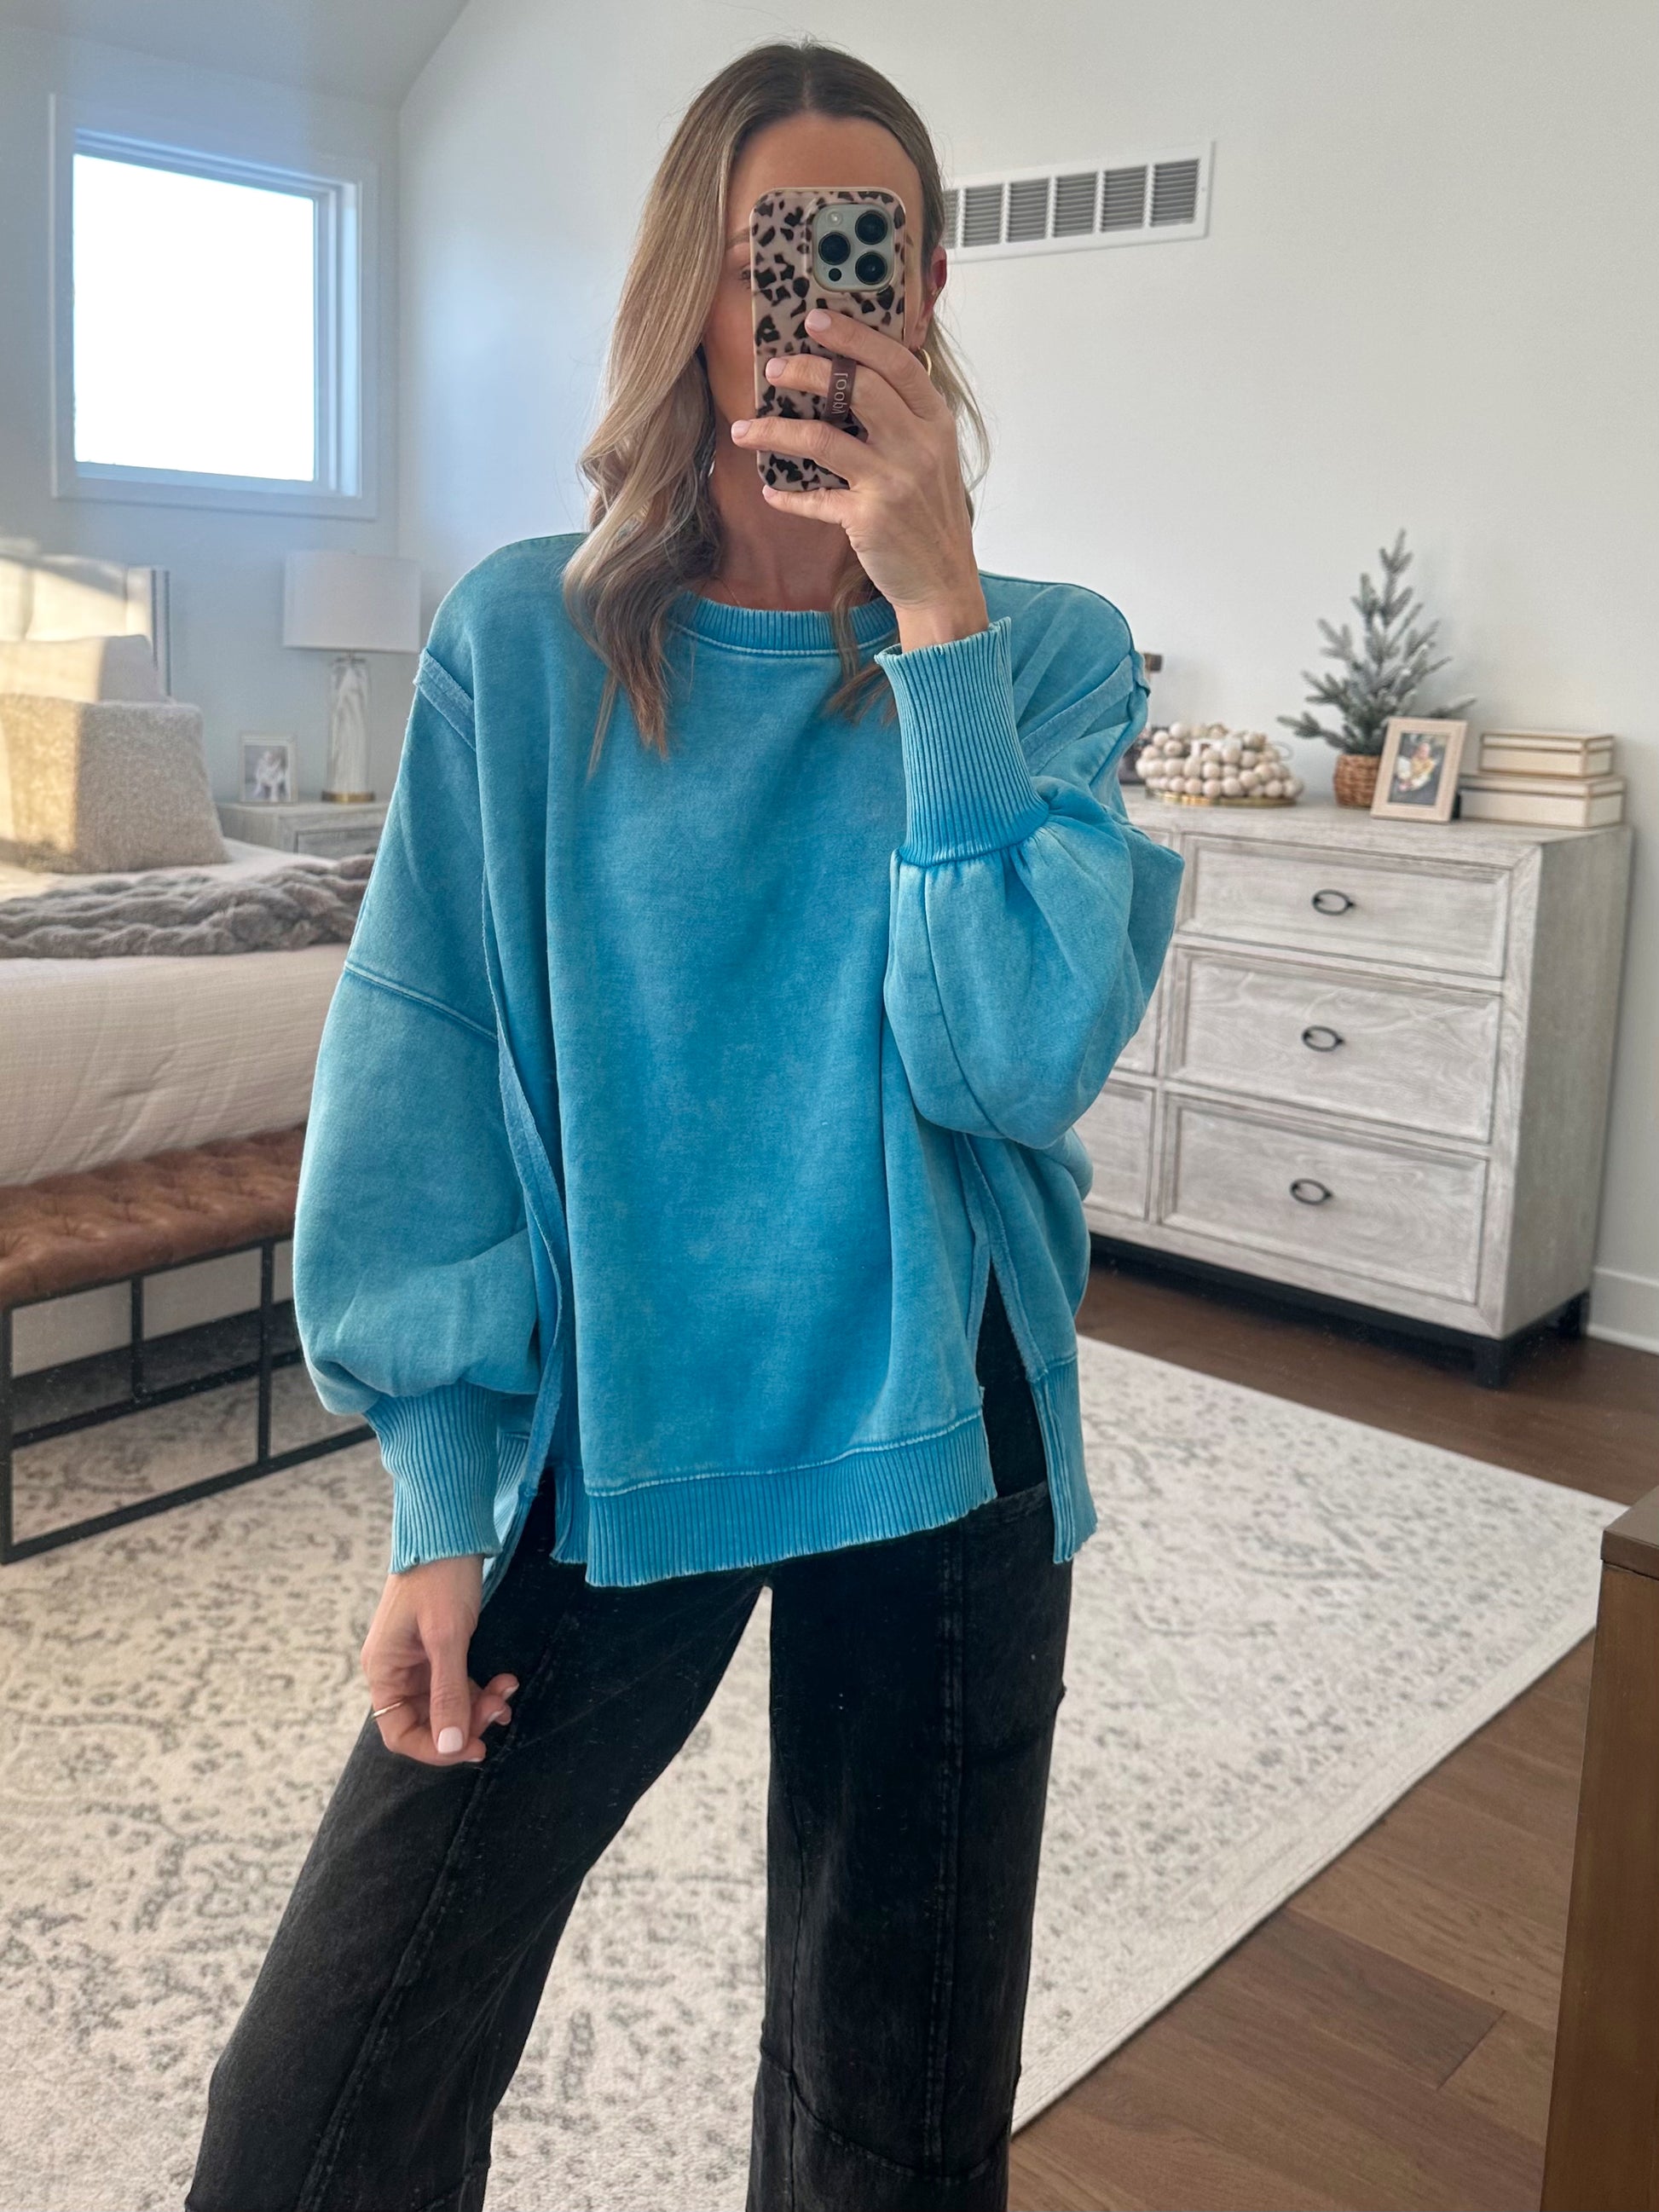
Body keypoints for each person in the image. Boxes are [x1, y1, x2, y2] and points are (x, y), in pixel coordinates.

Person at [186, 37, 1181, 2212]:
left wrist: (937, 621)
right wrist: (440, 1491)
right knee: (315, 2113)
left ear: (927, 292)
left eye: (862, 253)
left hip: (944, 1413)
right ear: (689, 289)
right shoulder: (518, 643)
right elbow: (426, 1063)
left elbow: (1005, 1062)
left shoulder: (1050, 655)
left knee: (884, 2128)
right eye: (765, 257)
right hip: (612, 1394)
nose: (811, 305)